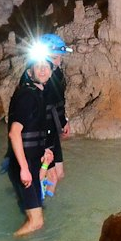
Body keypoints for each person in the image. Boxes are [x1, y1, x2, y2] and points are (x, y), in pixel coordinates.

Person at [5, 52, 58, 235]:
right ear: (30, 72)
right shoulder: (27, 96)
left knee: (35, 220)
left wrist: (45, 156)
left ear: (51, 72)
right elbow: (14, 133)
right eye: (38, 66)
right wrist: (24, 168)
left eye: (46, 66)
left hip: (33, 162)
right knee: (36, 222)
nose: (43, 69)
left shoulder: (40, 95)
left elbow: (34, 130)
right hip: (25, 164)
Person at [33, 33, 71, 192]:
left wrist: (64, 121)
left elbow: (57, 104)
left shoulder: (57, 75)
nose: (59, 61)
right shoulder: (39, 80)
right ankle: (37, 210)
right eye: (55, 57)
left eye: (60, 57)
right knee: (51, 176)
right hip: (43, 134)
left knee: (59, 174)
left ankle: (42, 204)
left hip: (53, 132)